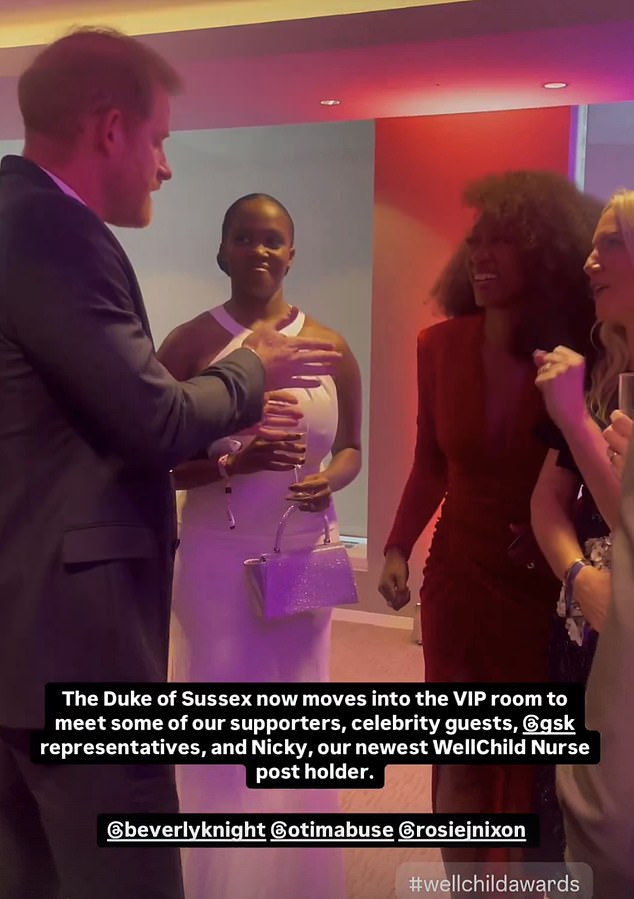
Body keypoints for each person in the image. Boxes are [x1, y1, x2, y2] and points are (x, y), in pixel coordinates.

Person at [0, 31, 340, 899]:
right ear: (110, 129)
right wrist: (251, 364)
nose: (165, 168)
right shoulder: (53, 229)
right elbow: (154, 416)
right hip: (79, 646)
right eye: (159, 141)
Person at [378, 170, 601, 880]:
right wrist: (393, 547)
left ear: (545, 253)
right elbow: (429, 463)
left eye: (503, 242)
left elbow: (582, 476)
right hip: (457, 579)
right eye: (477, 241)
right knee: (457, 746)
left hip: (538, 588)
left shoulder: (578, 355)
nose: (481, 256)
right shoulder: (437, 346)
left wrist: (555, 551)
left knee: (525, 755)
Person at [159, 192, 362, 899]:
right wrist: (233, 462)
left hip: (307, 554)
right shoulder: (190, 344)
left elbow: (353, 449)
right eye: (244, 238)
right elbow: (149, 456)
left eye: (273, 239)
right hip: (217, 559)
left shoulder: (333, 345)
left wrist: (330, 479)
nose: (260, 251)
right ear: (222, 252)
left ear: (293, 253)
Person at [530, 190, 634, 863]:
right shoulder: (602, 370)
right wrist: (579, 578)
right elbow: (546, 502)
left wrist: (577, 422)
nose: (590, 260)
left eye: (610, 243)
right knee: (573, 815)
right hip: (584, 620)